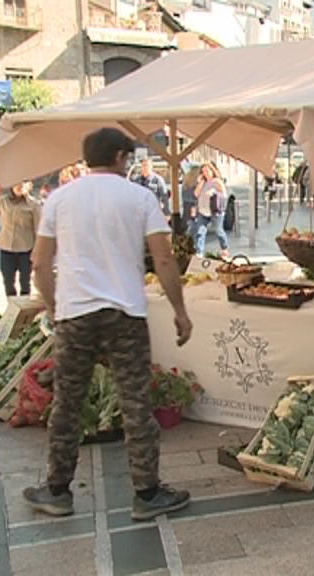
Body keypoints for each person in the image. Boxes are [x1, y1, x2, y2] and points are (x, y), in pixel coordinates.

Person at [24, 127, 193, 521]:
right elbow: (164, 261)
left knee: (67, 402)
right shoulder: (139, 197)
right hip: (125, 314)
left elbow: (39, 264)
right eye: (129, 157)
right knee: (135, 402)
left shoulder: (59, 200)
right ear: (119, 157)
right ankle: (147, 493)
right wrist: (180, 312)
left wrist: (53, 306)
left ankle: (57, 490)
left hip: (75, 315)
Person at [193, 163, 228, 258]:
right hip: (203, 211)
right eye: (203, 171)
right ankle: (199, 252)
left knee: (218, 230)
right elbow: (196, 194)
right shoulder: (202, 182)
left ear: (212, 171)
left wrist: (214, 192)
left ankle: (224, 248)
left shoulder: (217, 182)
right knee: (200, 231)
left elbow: (224, 195)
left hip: (215, 211)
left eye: (207, 171)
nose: (206, 173)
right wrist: (200, 182)